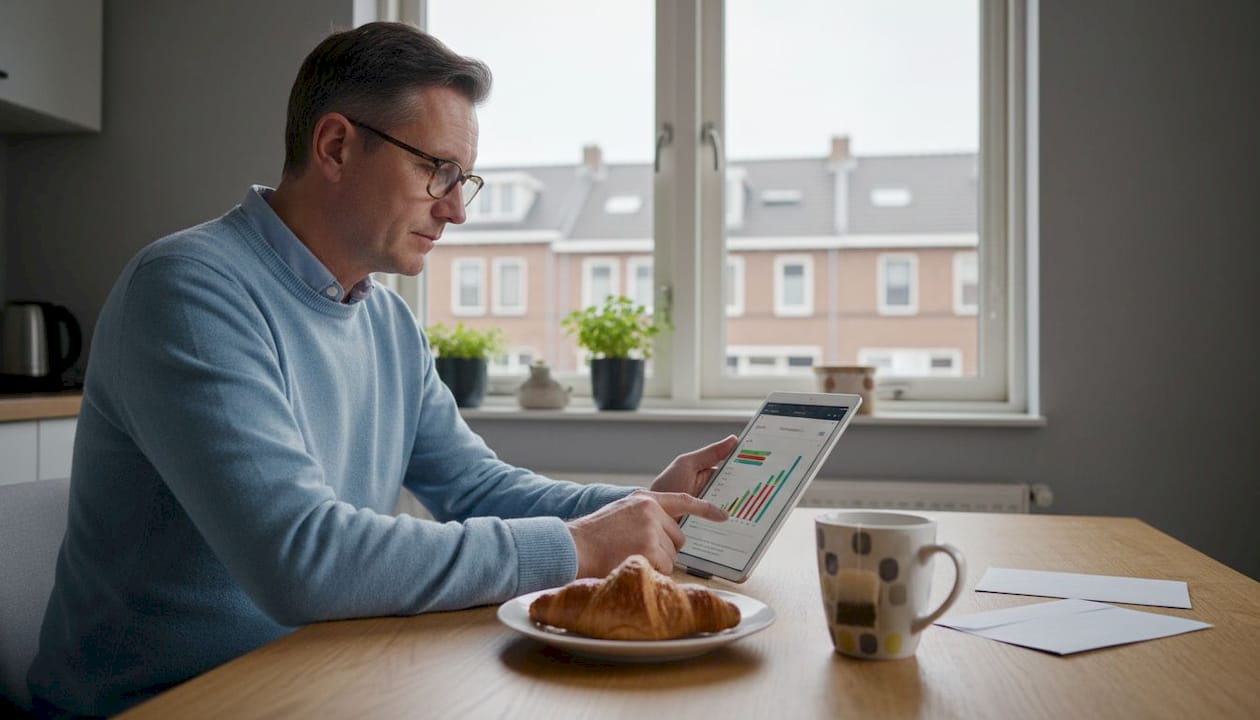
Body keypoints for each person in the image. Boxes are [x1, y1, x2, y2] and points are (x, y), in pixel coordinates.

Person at [27, 22, 733, 719]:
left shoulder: (387, 323)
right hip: (162, 704)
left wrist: (636, 509)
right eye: (438, 171)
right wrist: (579, 546)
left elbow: (475, 487)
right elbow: (302, 560)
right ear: (335, 146)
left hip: (315, 679)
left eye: (465, 180)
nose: (456, 210)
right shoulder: (188, 291)